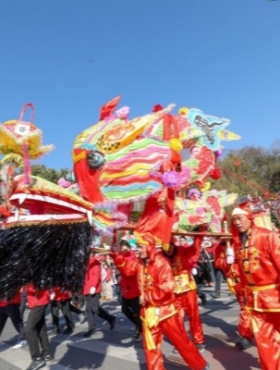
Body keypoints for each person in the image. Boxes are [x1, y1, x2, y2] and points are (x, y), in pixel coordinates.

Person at [136, 233, 209, 370]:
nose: (137, 250)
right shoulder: (141, 262)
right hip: (151, 311)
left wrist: (201, 232)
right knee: (151, 346)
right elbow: (127, 270)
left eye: (140, 247)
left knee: (183, 335)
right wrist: (117, 255)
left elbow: (166, 286)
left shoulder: (162, 261)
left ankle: (200, 363)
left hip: (168, 307)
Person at [231, 206, 280, 370]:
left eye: (240, 218)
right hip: (255, 301)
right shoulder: (238, 243)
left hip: (275, 297)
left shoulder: (268, 236)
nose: (237, 223)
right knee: (263, 340)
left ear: (249, 218)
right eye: (234, 220)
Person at [165, 236, 206, 353]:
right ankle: (182, 342)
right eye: (166, 246)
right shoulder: (161, 257)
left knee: (193, 315)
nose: (169, 248)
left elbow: (194, 249)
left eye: (170, 245)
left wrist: (199, 234)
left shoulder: (182, 250)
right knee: (177, 318)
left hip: (188, 288)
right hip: (173, 291)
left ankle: (198, 340)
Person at [214, 239, 252, 349]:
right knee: (245, 307)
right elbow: (217, 263)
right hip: (235, 282)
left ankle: (246, 336)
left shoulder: (238, 242)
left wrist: (235, 255)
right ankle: (250, 330)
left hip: (246, 280)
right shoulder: (218, 248)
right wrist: (227, 260)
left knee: (246, 308)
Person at [111, 240, 142, 341]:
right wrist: (113, 254)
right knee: (124, 309)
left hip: (134, 290)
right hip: (125, 289)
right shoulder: (121, 257)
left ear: (129, 248)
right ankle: (139, 325)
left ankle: (140, 329)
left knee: (136, 313)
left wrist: (118, 258)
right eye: (121, 248)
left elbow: (129, 272)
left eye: (125, 247)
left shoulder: (134, 259)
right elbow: (117, 262)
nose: (123, 250)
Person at [83, 247, 116, 338]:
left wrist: (93, 286)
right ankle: (92, 328)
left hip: (94, 289)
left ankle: (110, 318)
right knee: (89, 310)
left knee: (95, 309)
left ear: (91, 254)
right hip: (87, 289)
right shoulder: (85, 263)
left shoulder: (95, 262)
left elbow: (97, 275)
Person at [24, 284, 53, 370]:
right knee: (40, 328)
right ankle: (47, 354)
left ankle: (36, 358)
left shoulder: (33, 271)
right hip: (39, 301)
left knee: (29, 329)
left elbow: (36, 288)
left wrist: (26, 286)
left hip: (39, 301)